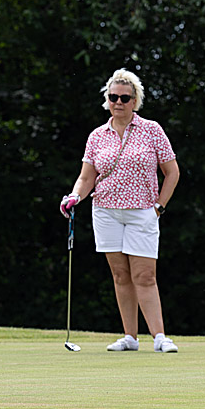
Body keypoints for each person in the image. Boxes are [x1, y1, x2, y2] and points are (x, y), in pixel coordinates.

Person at [60, 68, 181, 353]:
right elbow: (86, 177)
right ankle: (130, 337)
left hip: (142, 211)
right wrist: (75, 196)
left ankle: (159, 337)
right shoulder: (97, 136)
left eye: (124, 98)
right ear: (107, 99)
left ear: (134, 100)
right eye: (113, 97)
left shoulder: (152, 130)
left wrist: (159, 207)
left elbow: (172, 172)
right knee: (120, 276)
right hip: (105, 212)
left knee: (145, 276)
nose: (118, 102)